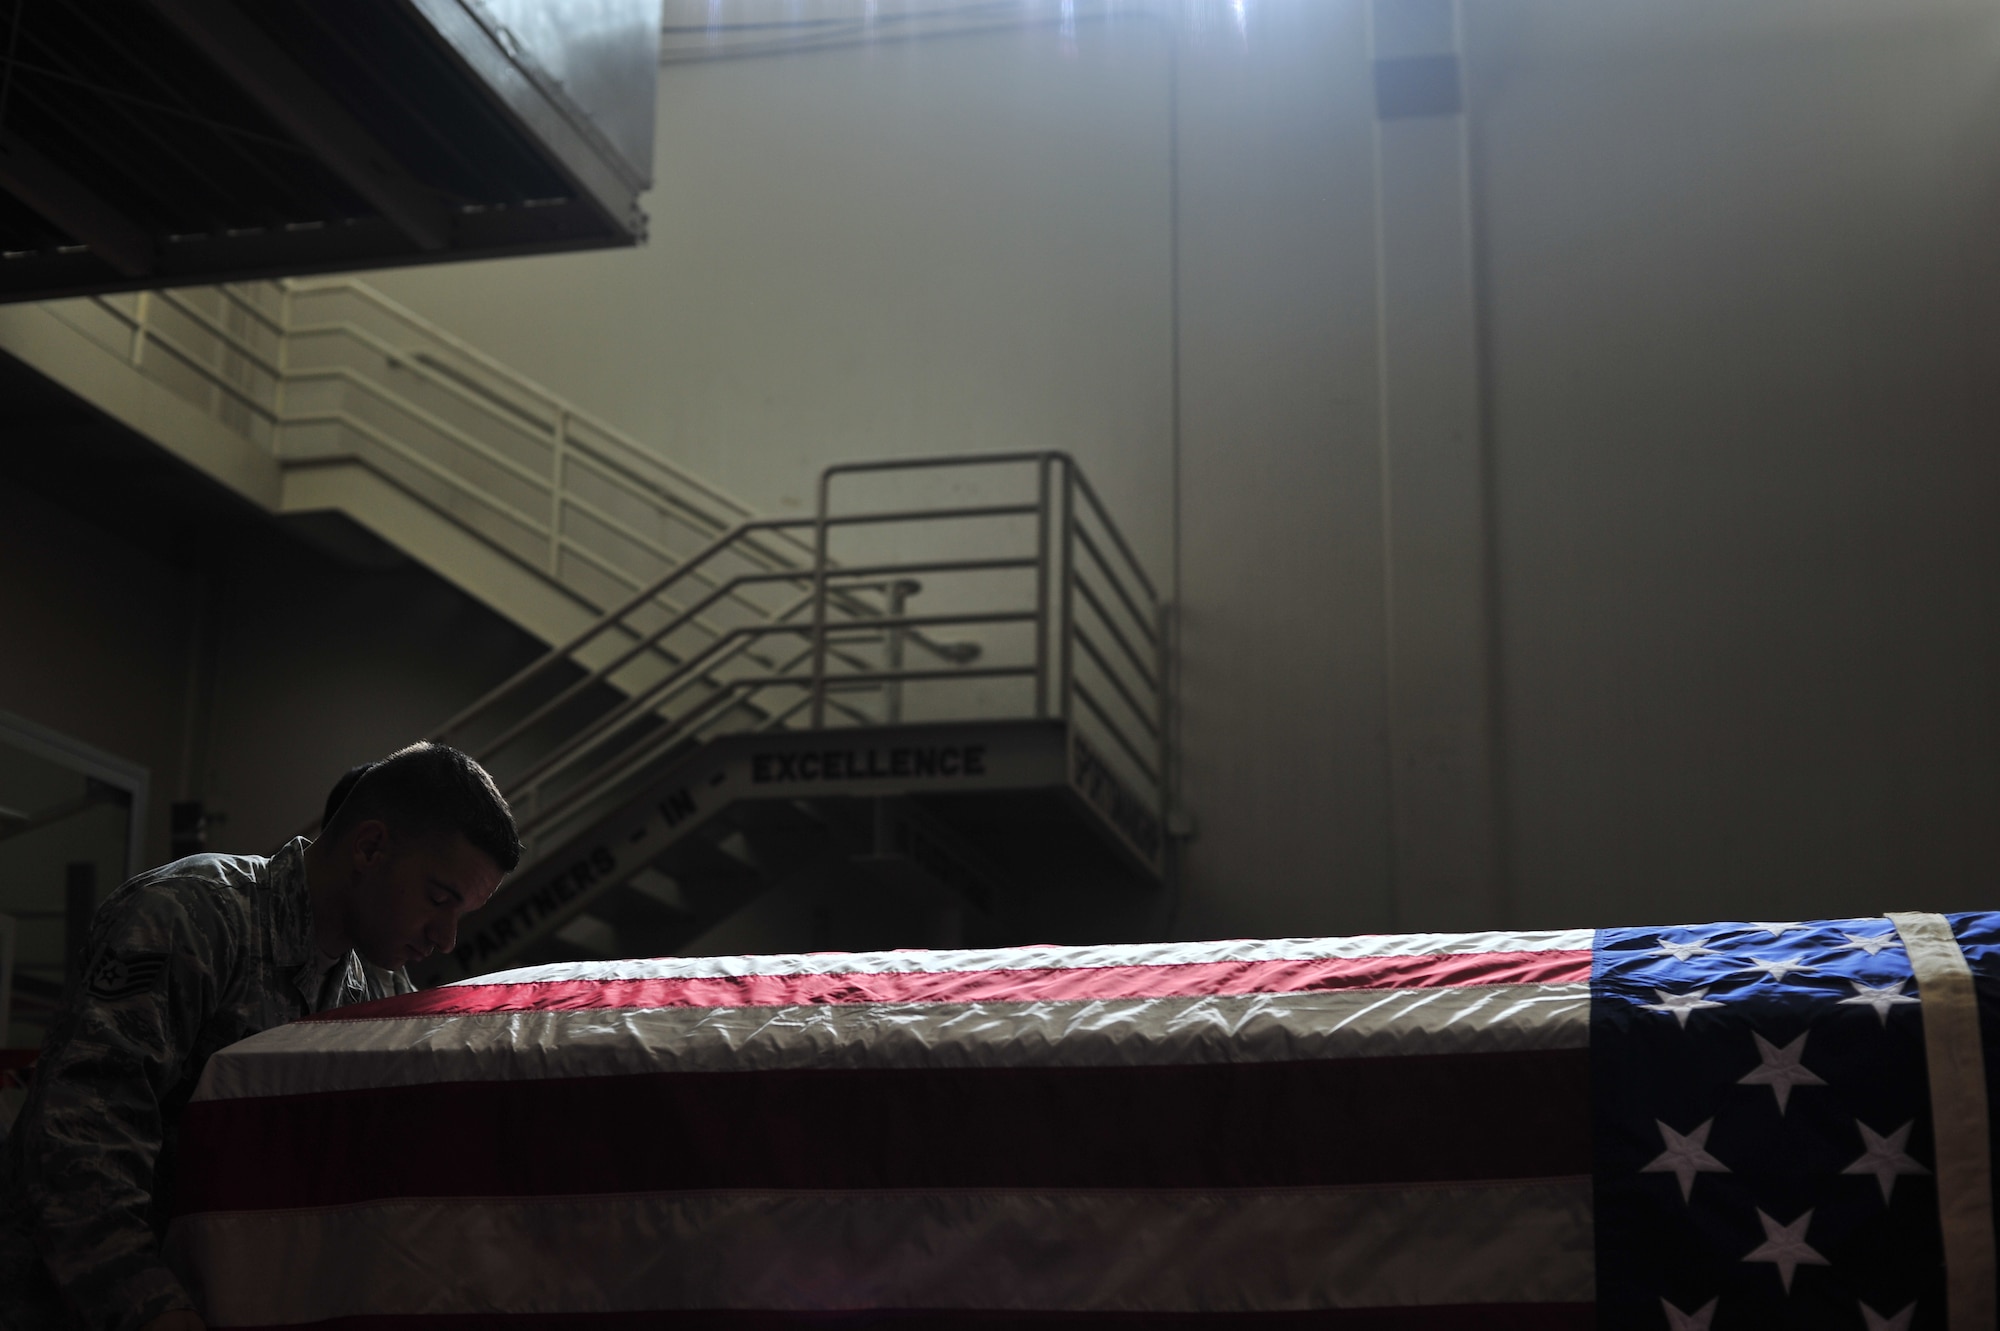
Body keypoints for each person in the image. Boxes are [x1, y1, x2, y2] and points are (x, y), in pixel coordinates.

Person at [0, 742, 519, 1331]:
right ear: (371, 847)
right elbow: (77, 1140)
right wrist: (151, 1308)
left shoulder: (376, 988)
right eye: (439, 899)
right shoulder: (191, 916)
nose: (447, 938)